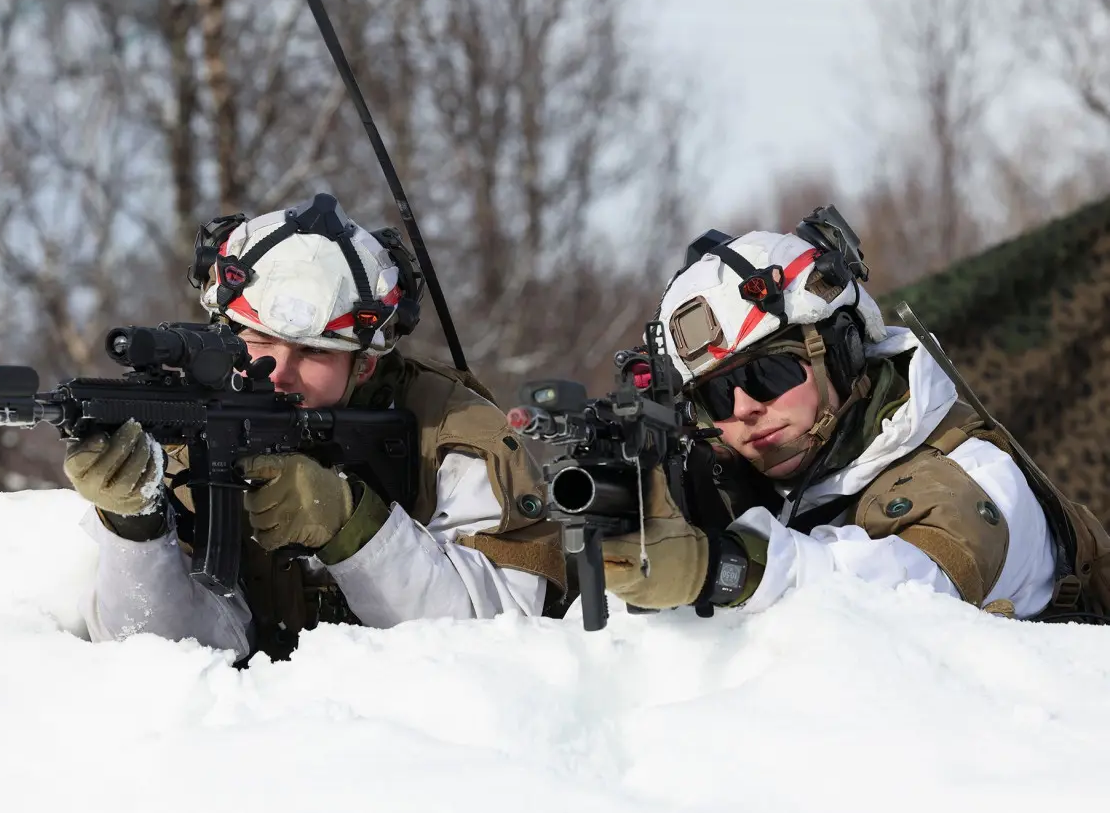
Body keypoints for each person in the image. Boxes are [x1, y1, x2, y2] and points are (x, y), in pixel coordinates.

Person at [64, 193, 566, 661]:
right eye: (258, 340)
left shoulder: (454, 430)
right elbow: (159, 654)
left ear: (365, 364)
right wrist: (137, 528)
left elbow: (501, 638)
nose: (279, 373)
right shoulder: (197, 428)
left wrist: (350, 525)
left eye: (314, 352)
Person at [600, 208, 1088, 622]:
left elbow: (906, 593)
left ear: (843, 353)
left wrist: (720, 567)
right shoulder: (785, 481)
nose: (745, 408)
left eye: (768, 375)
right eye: (717, 396)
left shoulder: (974, 476)